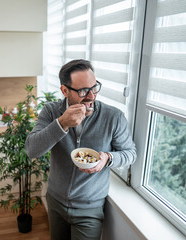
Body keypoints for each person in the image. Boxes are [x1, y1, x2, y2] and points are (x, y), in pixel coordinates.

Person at [25, 59, 136, 240]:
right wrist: (61, 124)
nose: (91, 96)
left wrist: (107, 158)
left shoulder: (113, 117)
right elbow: (32, 150)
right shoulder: (51, 111)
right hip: (55, 202)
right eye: (84, 91)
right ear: (64, 91)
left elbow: (130, 153)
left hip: (89, 208)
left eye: (94, 88)